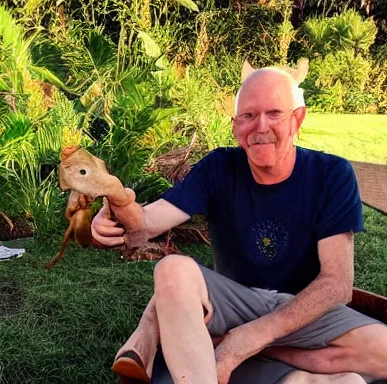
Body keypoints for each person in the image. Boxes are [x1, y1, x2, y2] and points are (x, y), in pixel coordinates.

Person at [91, 63, 387, 384]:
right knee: (172, 270)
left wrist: (245, 341)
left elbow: (336, 285)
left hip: (305, 311)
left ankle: (224, 350)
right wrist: (117, 202)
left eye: (274, 113)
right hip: (235, 301)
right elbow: (146, 224)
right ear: (234, 126)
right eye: (247, 116)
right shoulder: (219, 167)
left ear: (296, 120)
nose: (260, 127)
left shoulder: (332, 174)